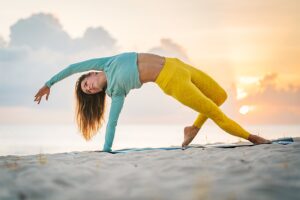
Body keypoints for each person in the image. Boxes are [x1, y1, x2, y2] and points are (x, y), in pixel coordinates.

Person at [34, 52, 271, 152]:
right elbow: (112, 124)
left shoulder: (107, 62)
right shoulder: (116, 92)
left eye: (87, 83)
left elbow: (72, 67)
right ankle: (252, 137)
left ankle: (193, 128)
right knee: (214, 110)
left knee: (220, 96)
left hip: (176, 63)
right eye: (89, 91)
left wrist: (49, 83)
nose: (91, 87)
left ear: (91, 74)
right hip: (171, 81)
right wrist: (106, 150)